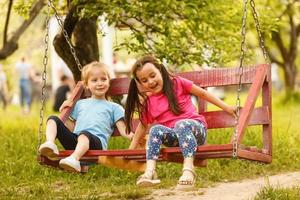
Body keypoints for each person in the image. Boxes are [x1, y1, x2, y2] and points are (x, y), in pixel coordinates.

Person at [125, 55, 236, 189]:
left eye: (153, 75)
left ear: (161, 70)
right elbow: (143, 126)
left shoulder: (177, 83)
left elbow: (204, 94)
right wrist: (131, 149)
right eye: (144, 80)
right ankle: (150, 172)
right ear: (140, 84)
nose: (150, 81)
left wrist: (227, 108)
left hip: (196, 130)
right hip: (175, 138)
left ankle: (188, 171)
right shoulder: (149, 102)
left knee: (181, 124)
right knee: (155, 129)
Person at [38, 61, 133, 172]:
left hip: (97, 145)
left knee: (84, 135)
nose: (100, 83)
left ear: (109, 82)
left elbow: (123, 129)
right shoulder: (80, 104)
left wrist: (133, 136)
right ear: (87, 85)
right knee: (53, 119)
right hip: (77, 142)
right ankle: (50, 144)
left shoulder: (114, 107)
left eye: (103, 79)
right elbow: (72, 127)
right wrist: (63, 111)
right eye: (94, 80)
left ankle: (74, 159)